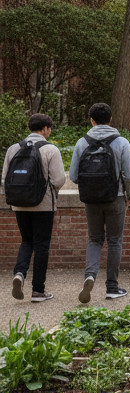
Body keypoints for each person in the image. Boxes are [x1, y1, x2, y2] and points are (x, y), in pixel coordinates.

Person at [69, 102, 130, 304]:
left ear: (91, 120)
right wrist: (129, 195)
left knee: (95, 239)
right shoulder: (121, 142)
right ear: (111, 119)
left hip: (91, 200)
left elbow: (73, 175)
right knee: (115, 240)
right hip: (115, 198)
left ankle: (89, 276)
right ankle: (112, 287)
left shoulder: (82, 142)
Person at [3, 113, 66, 302]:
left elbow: (5, 179)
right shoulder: (50, 149)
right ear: (46, 129)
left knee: (26, 241)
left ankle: (19, 273)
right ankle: (38, 290)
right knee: (42, 245)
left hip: (19, 205)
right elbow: (59, 179)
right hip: (43, 204)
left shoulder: (13, 149)